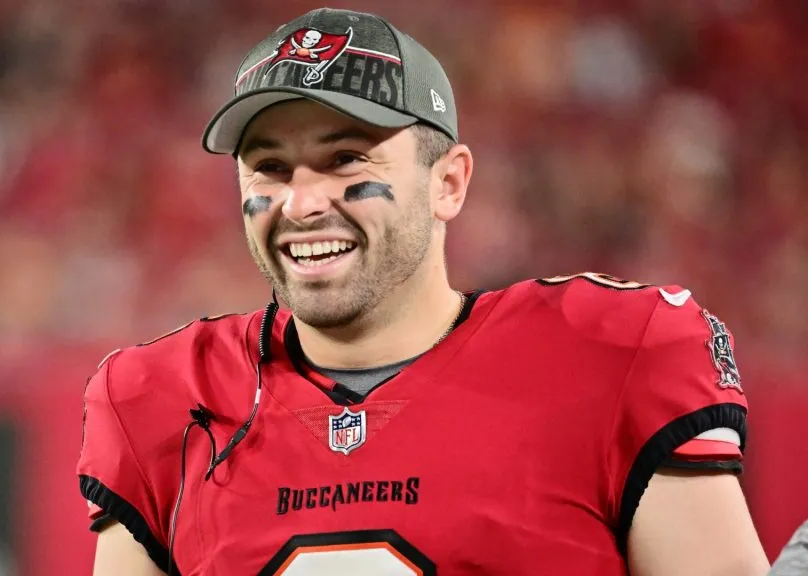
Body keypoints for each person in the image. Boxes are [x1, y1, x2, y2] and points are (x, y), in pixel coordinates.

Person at [77, 7, 770, 575]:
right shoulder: (166, 399)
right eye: (270, 168)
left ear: (450, 182)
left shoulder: (611, 355)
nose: (301, 201)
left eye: (346, 158)